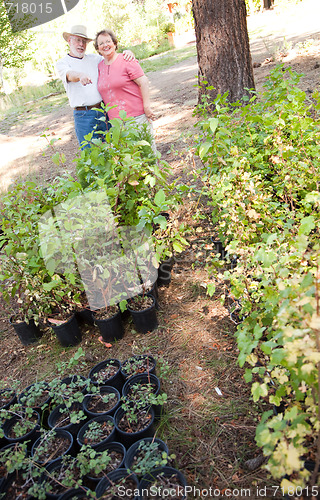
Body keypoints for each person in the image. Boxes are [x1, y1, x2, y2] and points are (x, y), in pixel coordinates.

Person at [56, 25, 135, 149]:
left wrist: (126, 53)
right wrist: (80, 75)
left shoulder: (95, 59)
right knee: (90, 151)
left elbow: (111, 57)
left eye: (84, 41)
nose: (81, 44)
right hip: (83, 115)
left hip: (103, 110)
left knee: (113, 146)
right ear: (69, 41)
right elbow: (69, 75)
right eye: (77, 40)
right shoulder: (63, 63)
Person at [94, 29, 157, 152]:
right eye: (101, 43)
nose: (105, 45)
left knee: (147, 154)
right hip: (116, 123)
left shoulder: (126, 59)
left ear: (115, 43)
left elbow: (143, 81)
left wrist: (146, 106)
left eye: (108, 41)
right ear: (97, 48)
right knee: (129, 160)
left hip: (136, 118)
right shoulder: (99, 66)